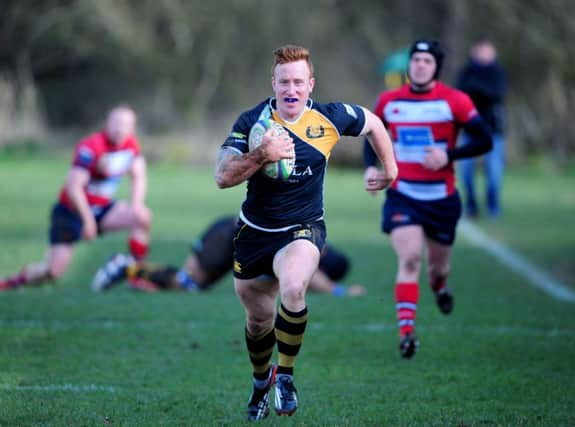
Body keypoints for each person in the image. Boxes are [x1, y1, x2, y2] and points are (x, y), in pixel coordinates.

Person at [214, 45, 397, 420]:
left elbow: (374, 123)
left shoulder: (329, 118)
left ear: (310, 84)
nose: (291, 89)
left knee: (295, 287)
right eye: (284, 81)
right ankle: (262, 382)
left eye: (299, 81)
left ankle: (286, 377)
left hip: (303, 228)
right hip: (253, 232)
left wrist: (390, 168)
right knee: (258, 320)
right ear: (274, 83)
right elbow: (222, 176)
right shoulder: (253, 122)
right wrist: (261, 155)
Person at [363, 40, 492, 359]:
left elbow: (485, 140)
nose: (420, 65)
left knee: (438, 268)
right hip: (403, 195)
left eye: (426, 60)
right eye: (415, 59)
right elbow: (372, 135)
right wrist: (370, 167)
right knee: (409, 259)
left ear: (436, 66)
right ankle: (407, 332)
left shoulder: (454, 101)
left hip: (442, 199)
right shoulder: (389, 101)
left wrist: (449, 154)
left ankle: (439, 287)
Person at [0, 106, 151, 291]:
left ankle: (135, 274)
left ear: (132, 128)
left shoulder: (131, 146)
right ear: (107, 124)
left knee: (141, 216)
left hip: (102, 209)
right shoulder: (91, 146)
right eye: (116, 123)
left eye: (126, 124)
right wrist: (87, 220)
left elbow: (139, 174)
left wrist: (136, 203)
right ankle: (13, 281)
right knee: (52, 272)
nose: (120, 128)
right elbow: (73, 186)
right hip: (72, 212)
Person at [91, 215, 366, 297]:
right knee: (190, 281)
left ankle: (133, 272)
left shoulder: (310, 236)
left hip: (232, 236)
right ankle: (127, 266)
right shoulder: (308, 245)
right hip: (227, 235)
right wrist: (341, 292)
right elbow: (314, 277)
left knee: (193, 285)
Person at [456, 37, 507, 218]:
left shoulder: (498, 72)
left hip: (493, 131)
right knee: (466, 173)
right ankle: (471, 206)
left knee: (494, 173)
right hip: (469, 131)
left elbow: (497, 95)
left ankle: (493, 206)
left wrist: (477, 89)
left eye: (487, 50)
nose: (484, 54)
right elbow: (460, 95)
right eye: (480, 50)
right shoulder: (466, 71)